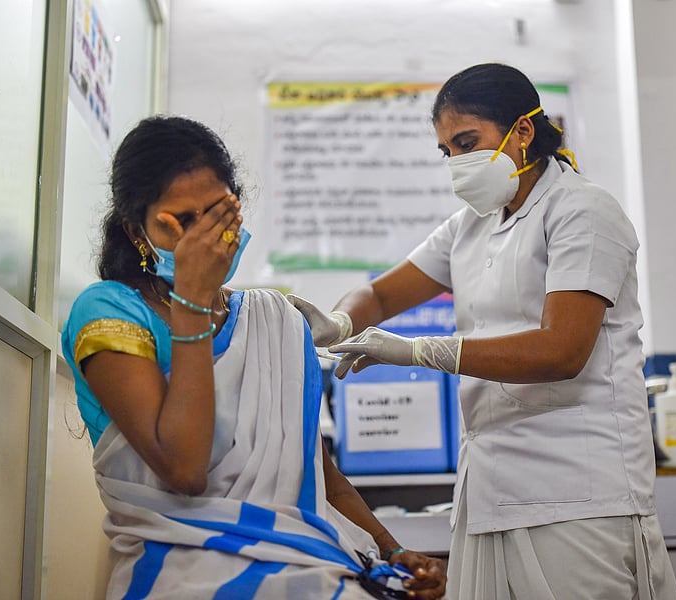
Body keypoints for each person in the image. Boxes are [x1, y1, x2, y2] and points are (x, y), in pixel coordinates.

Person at [288, 64, 676, 600]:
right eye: (447, 150)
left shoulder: (583, 211)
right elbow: (380, 296)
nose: (457, 162)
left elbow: (562, 350)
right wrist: (339, 321)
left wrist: (419, 351)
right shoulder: (471, 225)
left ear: (523, 131)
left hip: (579, 492)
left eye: (468, 142)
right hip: (491, 488)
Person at [60, 115, 446, 599]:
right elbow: (185, 471)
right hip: (180, 571)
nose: (206, 237)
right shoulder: (109, 310)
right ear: (137, 231)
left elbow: (321, 477)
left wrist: (393, 551)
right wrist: (192, 306)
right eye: (183, 221)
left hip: (305, 560)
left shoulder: (273, 321)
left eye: (219, 214)